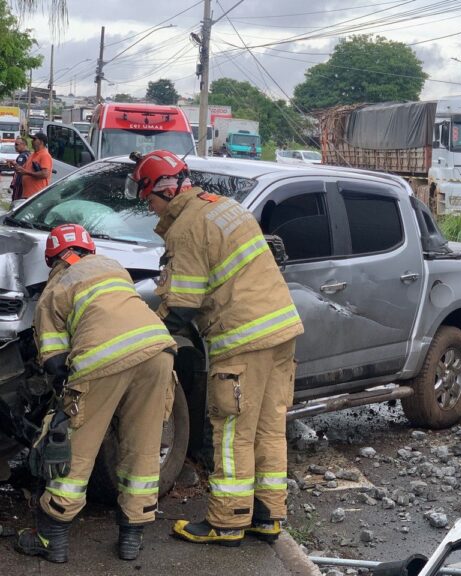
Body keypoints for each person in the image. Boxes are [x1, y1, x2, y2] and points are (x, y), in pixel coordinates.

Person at [130, 150, 304, 546]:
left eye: (150, 199)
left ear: (166, 189)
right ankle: (267, 515)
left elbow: (185, 301)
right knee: (268, 428)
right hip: (281, 331)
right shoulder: (225, 208)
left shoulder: (188, 227)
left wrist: (153, 338)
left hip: (242, 338)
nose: (150, 208)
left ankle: (226, 521)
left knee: (231, 431)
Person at [15, 224, 177, 563]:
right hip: (158, 352)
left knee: (75, 446)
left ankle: (51, 536)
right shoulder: (113, 268)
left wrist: (64, 398)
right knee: (144, 444)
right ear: (88, 248)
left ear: (52, 259)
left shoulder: (55, 286)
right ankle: (132, 537)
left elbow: (56, 362)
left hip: (103, 360)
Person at [15, 132, 53, 199]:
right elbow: (23, 170)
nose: (32, 141)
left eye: (34, 139)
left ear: (41, 142)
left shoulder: (45, 155)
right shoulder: (32, 155)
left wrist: (26, 172)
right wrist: (15, 165)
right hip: (27, 195)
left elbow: (45, 174)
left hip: (37, 196)